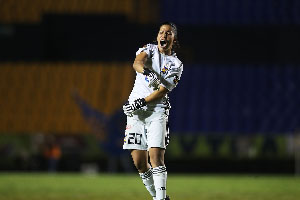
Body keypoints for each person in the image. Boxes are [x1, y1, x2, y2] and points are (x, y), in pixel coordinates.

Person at [123, 22, 183, 200]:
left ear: (173, 38)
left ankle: (160, 199)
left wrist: (142, 101)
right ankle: (160, 197)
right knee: (140, 163)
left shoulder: (176, 64)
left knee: (155, 157)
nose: (164, 35)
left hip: (157, 110)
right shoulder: (148, 49)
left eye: (168, 33)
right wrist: (147, 73)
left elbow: (163, 90)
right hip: (135, 112)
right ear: (157, 36)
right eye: (161, 32)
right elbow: (137, 63)